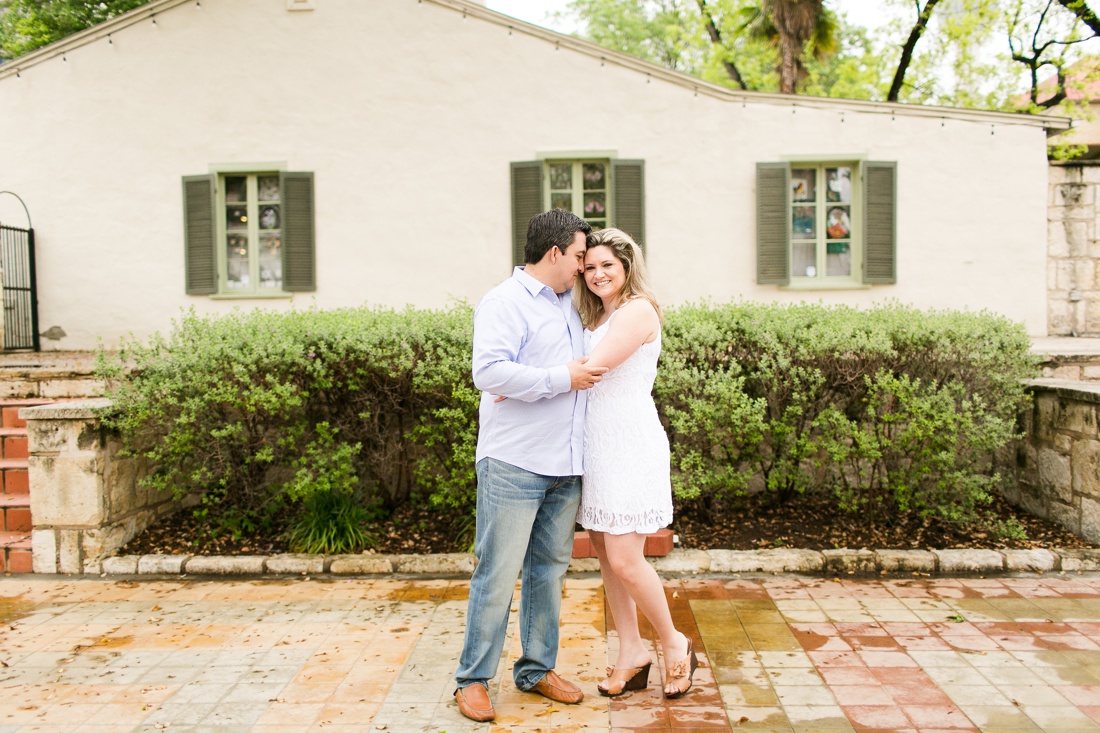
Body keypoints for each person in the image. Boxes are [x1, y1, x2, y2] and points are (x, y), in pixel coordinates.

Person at [453, 209, 608, 723]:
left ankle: (536, 669)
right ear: (555, 252)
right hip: (514, 462)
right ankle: (472, 681)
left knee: (547, 572)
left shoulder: (572, 303)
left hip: (566, 463)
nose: (585, 266)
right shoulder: (504, 302)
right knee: (496, 573)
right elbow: (489, 371)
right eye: (581, 255)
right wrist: (558, 377)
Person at [574, 228, 698, 699]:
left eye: (607, 265)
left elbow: (592, 368)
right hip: (598, 446)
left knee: (627, 558)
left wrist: (519, 381)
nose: (597, 274)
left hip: (629, 444)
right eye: (589, 267)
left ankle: (674, 642)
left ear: (627, 266)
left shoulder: (638, 310)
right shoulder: (598, 313)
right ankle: (630, 651)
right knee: (606, 553)